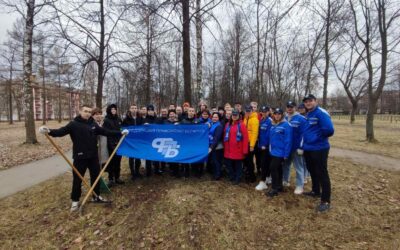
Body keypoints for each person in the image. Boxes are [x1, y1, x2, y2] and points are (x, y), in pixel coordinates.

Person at [39, 104, 128, 212]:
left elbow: (105, 132)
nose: (88, 113)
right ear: (80, 111)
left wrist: (120, 133)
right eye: (85, 111)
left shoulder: (93, 124)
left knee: (95, 177)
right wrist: (48, 131)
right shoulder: (74, 124)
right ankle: (75, 201)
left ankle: (96, 196)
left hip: (93, 157)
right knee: (77, 179)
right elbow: (60, 132)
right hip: (80, 157)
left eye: (89, 112)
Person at [302, 94, 334, 212]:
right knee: (312, 170)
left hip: (319, 148)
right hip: (309, 148)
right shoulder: (308, 113)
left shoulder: (321, 112)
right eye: (306, 102)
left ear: (315, 101)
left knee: (322, 173)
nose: (308, 103)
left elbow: (329, 130)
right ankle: (315, 191)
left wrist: (316, 138)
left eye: (310, 101)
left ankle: (325, 201)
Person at [282, 101, 307, 194]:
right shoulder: (283, 118)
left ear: (295, 108)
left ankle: (300, 186)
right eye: (288, 106)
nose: (289, 108)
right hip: (287, 148)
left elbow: (304, 134)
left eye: (291, 107)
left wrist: (301, 147)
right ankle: (285, 181)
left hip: (296, 148)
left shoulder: (301, 119)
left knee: (298, 167)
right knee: (286, 165)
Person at [267, 108, 292, 197]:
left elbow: (288, 141)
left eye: (279, 114)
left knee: (273, 168)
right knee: (278, 169)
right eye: (275, 114)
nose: (277, 115)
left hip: (281, 152)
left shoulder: (286, 125)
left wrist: (286, 154)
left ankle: (274, 189)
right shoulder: (273, 124)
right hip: (273, 151)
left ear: (282, 115)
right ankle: (279, 186)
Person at [223, 109, 249, 185]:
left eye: (236, 115)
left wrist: (245, 150)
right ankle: (232, 176)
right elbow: (224, 136)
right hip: (228, 149)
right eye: (233, 115)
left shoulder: (242, 125)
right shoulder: (228, 124)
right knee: (229, 164)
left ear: (238, 116)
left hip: (238, 150)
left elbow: (245, 138)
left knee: (238, 165)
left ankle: (237, 178)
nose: (234, 116)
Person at [103, 104, 124, 187]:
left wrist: (122, 131)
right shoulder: (106, 120)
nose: (114, 110)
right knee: (111, 162)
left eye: (115, 109)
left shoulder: (119, 119)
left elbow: (122, 128)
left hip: (119, 143)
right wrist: (118, 132)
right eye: (112, 109)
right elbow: (107, 132)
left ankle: (117, 177)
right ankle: (111, 179)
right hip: (110, 144)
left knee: (118, 161)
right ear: (109, 110)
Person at [122, 104, 143, 180]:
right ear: (130, 109)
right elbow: (122, 128)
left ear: (137, 109)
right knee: (131, 157)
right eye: (132, 108)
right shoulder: (126, 119)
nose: (134, 109)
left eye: (135, 108)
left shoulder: (140, 118)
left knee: (138, 157)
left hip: (138, 141)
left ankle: (137, 172)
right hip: (130, 141)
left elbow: (143, 128)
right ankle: (133, 173)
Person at [255, 106, 272, 191]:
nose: (264, 113)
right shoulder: (261, 120)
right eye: (262, 111)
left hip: (266, 146)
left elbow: (269, 135)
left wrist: (265, 145)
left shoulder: (270, 121)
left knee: (264, 164)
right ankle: (268, 177)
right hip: (260, 145)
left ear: (268, 112)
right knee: (264, 163)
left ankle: (263, 182)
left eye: (265, 111)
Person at [243, 104, 259, 183]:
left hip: (251, 143)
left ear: (252, 111)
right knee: (246, 159)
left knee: (250, 160)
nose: (248, 112)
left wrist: (252, 145)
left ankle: (252, 177)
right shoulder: (245, 119)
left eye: (249, 111)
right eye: (246, 111)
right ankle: (248, 173)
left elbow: (255, 133)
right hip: (245, 142)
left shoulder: (254, 119)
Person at [143, 104, 158, 176]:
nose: (150, 112)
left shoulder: (157, 119)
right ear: (147, 111)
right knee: (148, 156)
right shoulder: (144, 119)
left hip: (156, 140)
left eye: (151, 110)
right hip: (147, 141)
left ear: (153, 111)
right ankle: (148, 171)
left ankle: (157, 170)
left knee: (156, 155)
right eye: (149, 110)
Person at [209, 112, 224, 180]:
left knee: (216, 161)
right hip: (213, 145)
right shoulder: (212, 124)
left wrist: (211, 147)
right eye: (213, 117)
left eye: (216, 117)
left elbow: (216, 138)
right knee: (213, 161)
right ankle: (215, 173)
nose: (214, 118)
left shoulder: (219, 126)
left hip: (217, 147)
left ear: (219, 118)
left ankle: (218, 175)